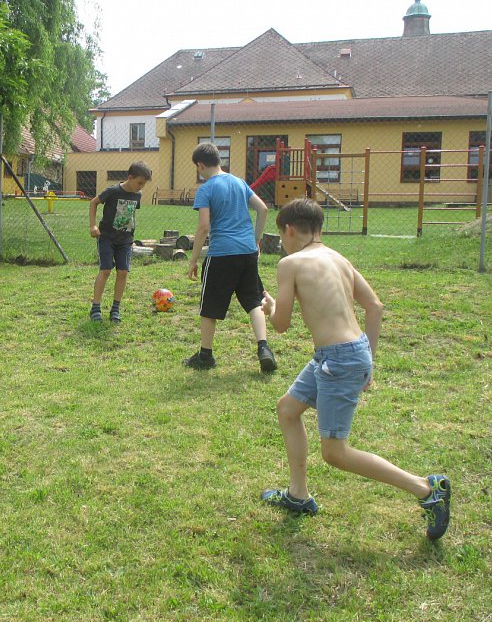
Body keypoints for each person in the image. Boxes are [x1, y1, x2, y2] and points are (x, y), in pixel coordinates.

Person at [258, 198, 450, 540]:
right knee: (288, 410)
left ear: (288, 230)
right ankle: (298, 495)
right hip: (345, 354)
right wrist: (368, 361)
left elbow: (281, 325)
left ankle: (426, 489)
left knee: (335, 453)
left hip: (337, 360)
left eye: (282, 236)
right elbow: (374, 307)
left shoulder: (291, 263)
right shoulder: (339, 259)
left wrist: (270, 307)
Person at [184, 143, 276, 373]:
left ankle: (205, 356)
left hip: (221, 254)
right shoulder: (239, 182)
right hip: (247, 252)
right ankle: (264, 348)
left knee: (210, 306)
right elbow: (263, 209)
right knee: (253, 301)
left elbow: (204, 227)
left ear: (200, 165)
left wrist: (193, 259)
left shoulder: (206, 189)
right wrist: (255, 240)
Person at [88, 161, 152, 323]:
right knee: (106, 270)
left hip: (125, 240)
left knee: (123, 272)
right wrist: (93, 225)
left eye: (144, 184)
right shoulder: (113, 191)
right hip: (107, 237)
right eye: (139, 183)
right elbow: (93, 202)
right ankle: (95, 307)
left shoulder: (137, 195)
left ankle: (115, 309)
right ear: (130, 177)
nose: (141, 187)